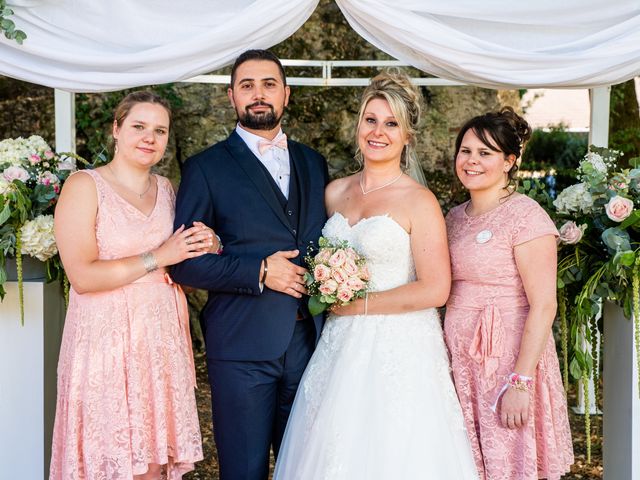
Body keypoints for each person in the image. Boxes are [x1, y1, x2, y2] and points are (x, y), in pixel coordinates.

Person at [273, 71, 479, 480]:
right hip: (339, 346)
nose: (378, 132)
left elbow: (436, 288)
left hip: (399, 347)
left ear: (407, 137)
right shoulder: (334, 192)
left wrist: (359, 304)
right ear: (358, 127)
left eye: (391, 124)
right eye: (371, 120)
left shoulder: (419, 201)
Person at [170, 49, 329, 480]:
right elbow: (184, 265)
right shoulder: (205, 168)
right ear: (231, 96)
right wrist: (258, 270)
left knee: (307, 468)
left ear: (287, 94)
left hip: (309, 345)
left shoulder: (315, 163)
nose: (258, 95)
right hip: (241, 349)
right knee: (243, 470)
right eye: (247, 85)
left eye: (268, 84)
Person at [50, 91, 216, 479]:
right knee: (112, 456)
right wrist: (158, 256)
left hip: (159, 345)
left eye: (160, 130)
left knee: (154, 463)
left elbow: (179, 271)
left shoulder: (168, 191)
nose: (149, 138)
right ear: (116, 129)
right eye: (139, 126)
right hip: (104, 346)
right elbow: (83, 276)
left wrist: (207, 244)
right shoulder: (84, 186)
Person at [444, 107, 574, 479]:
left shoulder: (526, 216)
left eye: (486, 153)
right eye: (466, 151)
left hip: (508, 362)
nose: (472, 161)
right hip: (462, 362)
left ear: (509, 161)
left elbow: (544, 305)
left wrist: (521, 381)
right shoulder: (454, 217)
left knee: (510, 462)